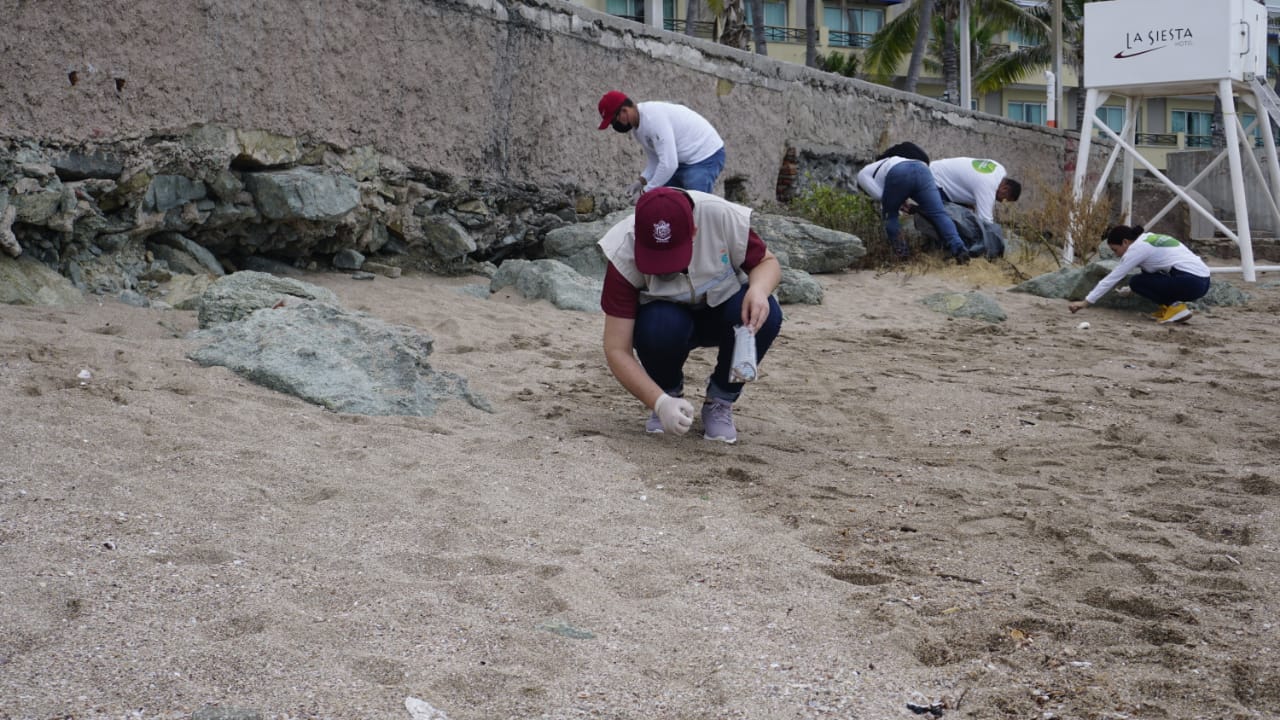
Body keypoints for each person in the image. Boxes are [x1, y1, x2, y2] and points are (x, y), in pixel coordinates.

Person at [598, 187, 783, 444]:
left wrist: (759, 289)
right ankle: (668, 392)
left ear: (695, 231)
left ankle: (721, 399)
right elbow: (616, 348)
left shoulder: (720, 216)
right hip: (666, 323)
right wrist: (659, 402)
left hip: (724, 312)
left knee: (767, 313)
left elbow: (766, 262)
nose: (666, 268)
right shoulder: (622, 249)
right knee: (658, 325)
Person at [1068, 224, 1211, 324]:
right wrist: (1129, 290)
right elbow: (1153, 274)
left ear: (1125, 242)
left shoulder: (1136, 249)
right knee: (1142, 278)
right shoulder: (1148, 238)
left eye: (1115, 250)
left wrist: (1086, 302)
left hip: (1191, 282)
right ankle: (1169, 308)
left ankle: (1175, 307)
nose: (1116, 255)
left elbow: (1113, 277)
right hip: (1203, 282)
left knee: (1136, 281)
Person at [597, 91, 726, 197]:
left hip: (705, 155)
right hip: (680, 161)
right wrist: (640, 181)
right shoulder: (638, 129)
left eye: (614, 121)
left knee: (695, 203)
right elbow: (656, 160)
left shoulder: (653, 119)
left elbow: (669, 165)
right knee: (663, 199)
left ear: (624, 111)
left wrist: (645, 192)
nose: (615, 125)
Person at [857, 155, 970, 263]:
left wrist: (897, 202)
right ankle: (960, 249)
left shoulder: (862, 175)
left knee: (890, 217)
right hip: (922, 169)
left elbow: (879, 196)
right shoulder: (883, 164)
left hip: (899, 172)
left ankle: (903, 256)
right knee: (939, 213)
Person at [928, 157, 1021, 225]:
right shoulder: (988, 186)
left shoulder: (1000, 169)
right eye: (1006, 199)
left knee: (967, 213)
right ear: (1005, 189)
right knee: (948, 221)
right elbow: (986, 221)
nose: (1002, 202)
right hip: (936, 182)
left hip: (937, 169)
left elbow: (972, 179)